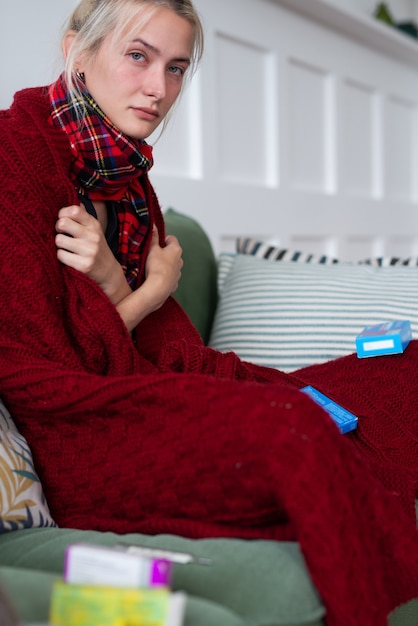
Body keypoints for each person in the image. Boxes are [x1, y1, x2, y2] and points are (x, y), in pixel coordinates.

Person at [0, 1, 417, 625]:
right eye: (138, 57)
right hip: (81, 429)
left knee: (395, 375)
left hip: (149, 391)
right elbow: (47, 370)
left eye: (176, 68)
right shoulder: (15, 156)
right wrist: (145, 290)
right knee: (289, 428)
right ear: (77, 54)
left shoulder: (126, 180)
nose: (158, 89)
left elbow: (173, 356)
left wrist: (122, 289)